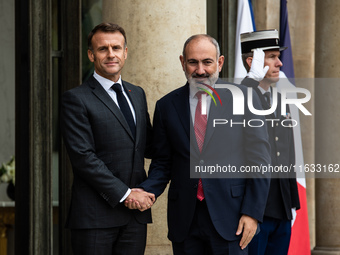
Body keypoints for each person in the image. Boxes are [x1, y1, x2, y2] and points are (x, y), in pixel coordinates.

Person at [126, 34, 271, 255]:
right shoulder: (166, 106)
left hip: (232, 219)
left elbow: (260, 160)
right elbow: (163, 162)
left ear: (220, 62)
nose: (200, 70)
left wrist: (252, 213)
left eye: (207, 62)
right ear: (183, 62)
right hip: (185, 219)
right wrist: (146, 191)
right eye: (193, 62)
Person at [61, 22, 155, 255]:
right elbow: (83, 158)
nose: (111, 54)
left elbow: (149, 146)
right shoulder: (76, 99)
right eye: (103, 49)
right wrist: (126, 194)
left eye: (116, 47)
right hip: (95, 218)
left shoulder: (137, 93)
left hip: (135, 219)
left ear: (125, 52)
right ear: (91, 55)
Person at [240, 29, 301, 255]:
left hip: (282, 208)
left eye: (279, 56)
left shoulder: (278, 100)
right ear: (252, 61)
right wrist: (251, 81)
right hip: (255, 211)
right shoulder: (239, 98)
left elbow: (287, 154)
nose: (280, 63)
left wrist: (292, 202)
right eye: (272, 57)